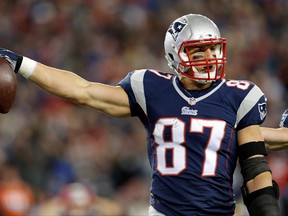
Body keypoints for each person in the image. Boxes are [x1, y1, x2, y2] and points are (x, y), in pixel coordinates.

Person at [0, 14, 280, 215]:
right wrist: (22, 63)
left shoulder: (239, 95)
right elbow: (83, 90)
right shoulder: (152, 88)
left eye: (213, 48)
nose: (209, 56)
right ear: (175, 55)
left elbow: (254, 163)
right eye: (198, 51)